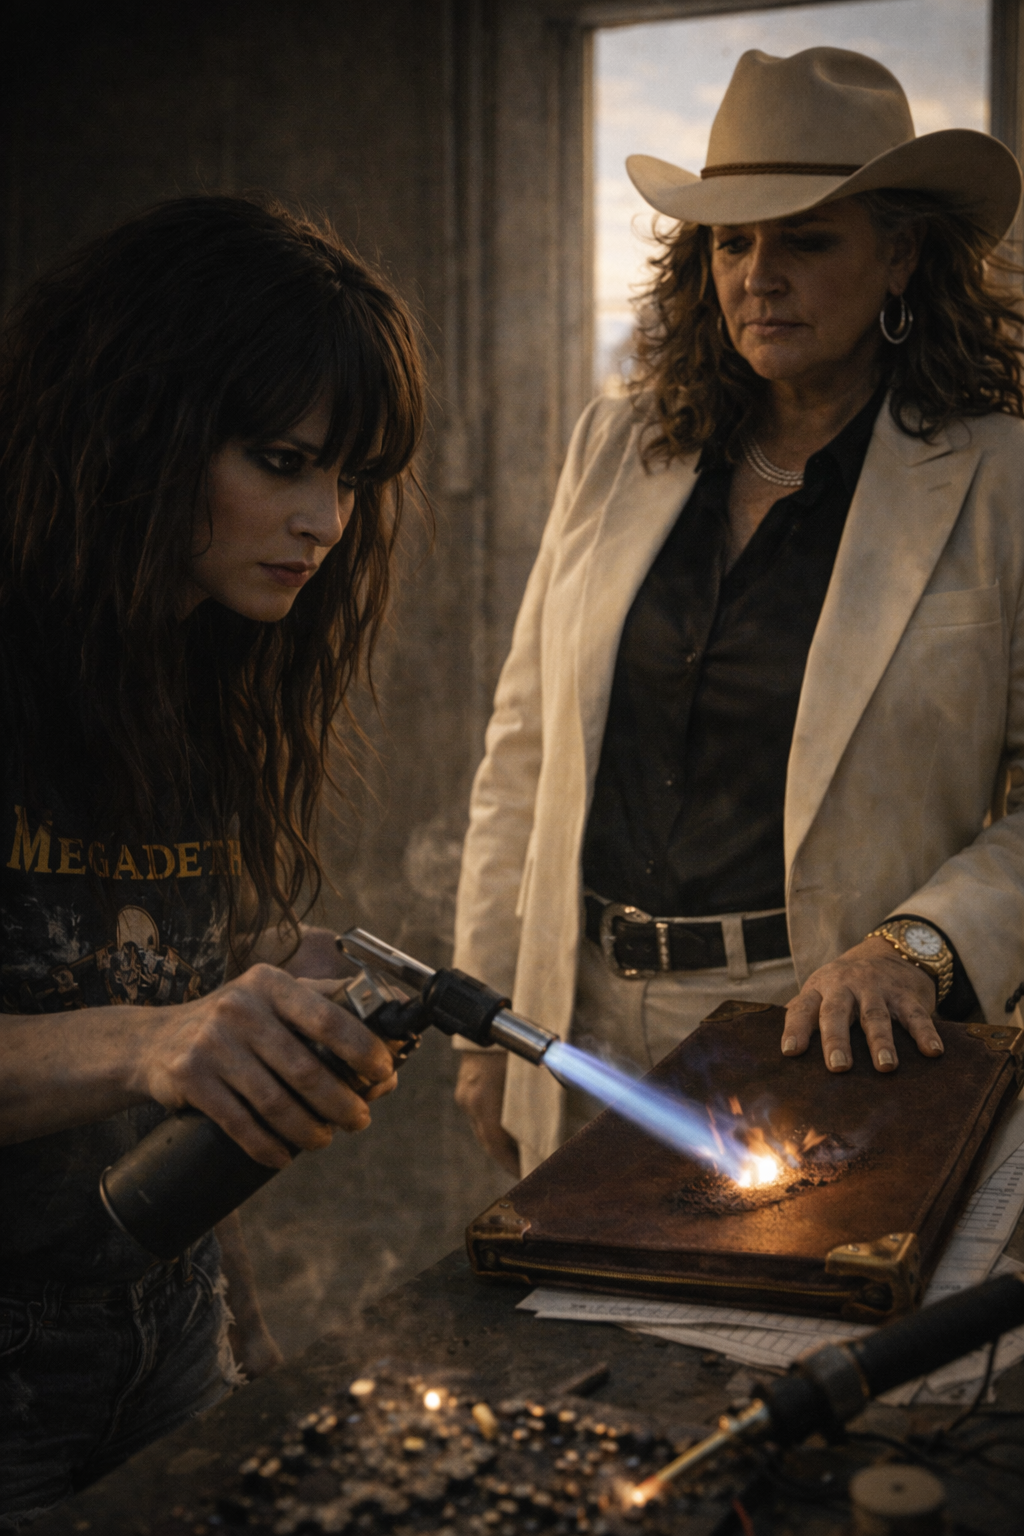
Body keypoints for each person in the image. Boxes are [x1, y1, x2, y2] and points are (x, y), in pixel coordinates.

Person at [452, 46, 1024, 1179]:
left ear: (900, 255)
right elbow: (524, 747)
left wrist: (916, 949)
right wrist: (485, 1020)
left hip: (830, 1031)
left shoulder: (1001, 479)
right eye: (732, 241)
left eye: (805, 240)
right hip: (582, 1022)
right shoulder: (616, 443)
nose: (760, 275)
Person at [0, 195, 424, 1525]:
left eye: (349, 479)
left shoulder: (196, 673)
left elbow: (145, 1021)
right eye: (283, 461)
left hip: (165, 1339)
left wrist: (243, 998)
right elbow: (142, 1037)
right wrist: (153, 1037)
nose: (326, 522)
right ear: (134, 422)